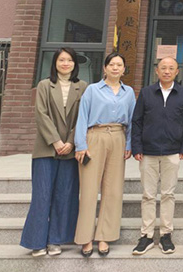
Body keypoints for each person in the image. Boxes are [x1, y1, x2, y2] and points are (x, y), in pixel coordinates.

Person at [20, 48, 86, 257]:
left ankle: (55, 240)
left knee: (64, 195)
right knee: (42, 195)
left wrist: (71, 142)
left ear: (75, 64)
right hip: (46, 148)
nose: (65, 63)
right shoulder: (44, 85)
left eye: (69, 60)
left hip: (70, 150)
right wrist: (56, 141)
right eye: (61, 60)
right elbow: (41, 114)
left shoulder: (83, 87)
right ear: (55, 63)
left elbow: (83, 118)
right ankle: (37, 242)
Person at [74, 52, 136, 257]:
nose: (115, 68)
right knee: (89, 190)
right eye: (112, 64)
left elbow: (132, 121)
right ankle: (85, 238)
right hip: (95, 136)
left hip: (118, 137)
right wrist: (80, 145)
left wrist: (129, 144)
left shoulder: (129, 92)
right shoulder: (92, 90)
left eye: (119, 65)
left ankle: (104, 236)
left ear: (124, 69)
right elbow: (82, 117)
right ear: (105, 68)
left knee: (113, 190)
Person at [131, 57, 183, 255]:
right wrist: (136, 147)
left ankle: (166, 234)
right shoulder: (146, 93)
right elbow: (137, 121)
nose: (167, 71)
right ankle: (147, 235)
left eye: (171, 68)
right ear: (156, 71)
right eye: (163, 68)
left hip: (172, 152)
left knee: (168, 194)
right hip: (148, 151)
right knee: (148, 195)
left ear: (177, 71)